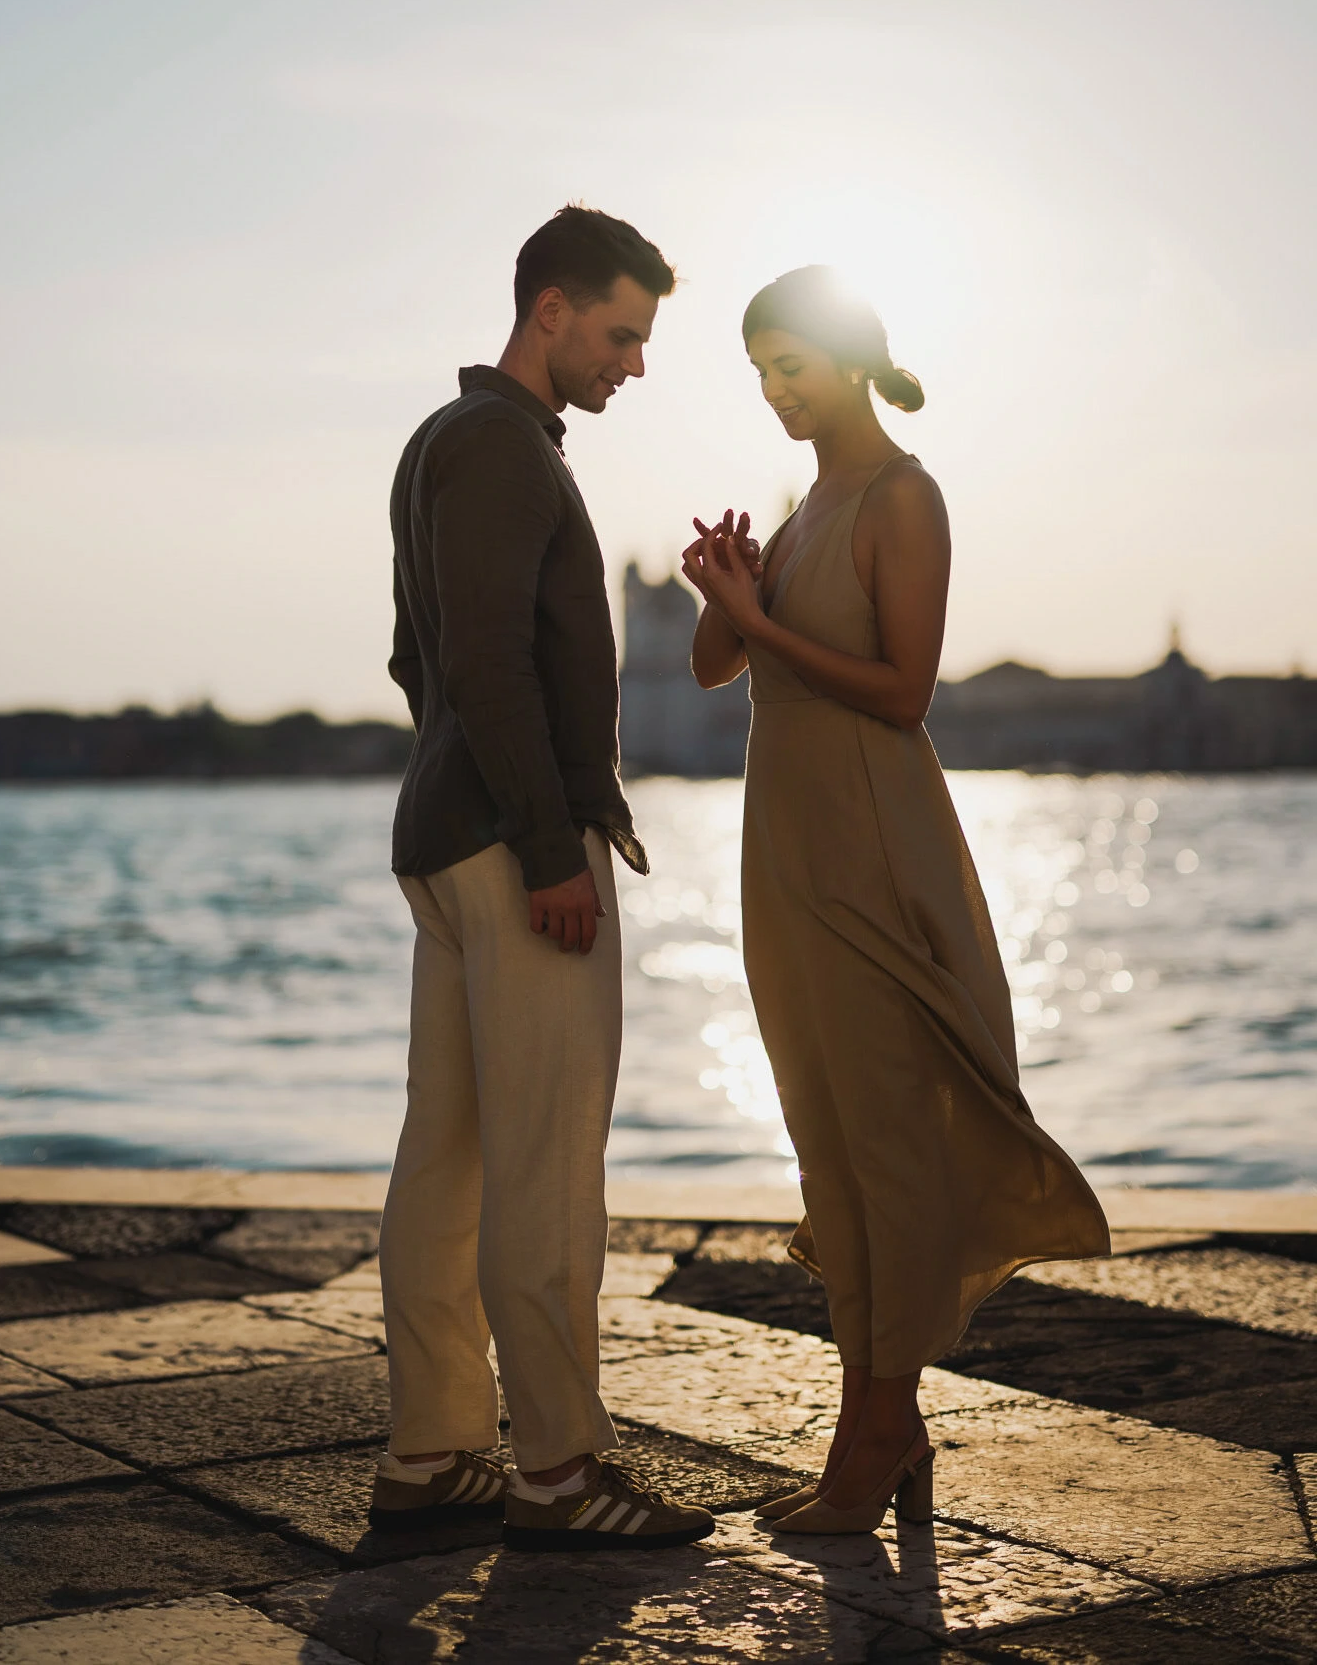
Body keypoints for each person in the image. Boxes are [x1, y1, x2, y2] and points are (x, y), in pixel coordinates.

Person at [683, 265, 1109, 1535]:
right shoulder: (803, 508)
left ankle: (874, 1426)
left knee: (887, 1137)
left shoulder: (900, 499)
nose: (772, 392)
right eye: (756, 372)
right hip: (785, 853)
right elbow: (718, 665)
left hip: (873, 842)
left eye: (789, 367)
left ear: (846, 358)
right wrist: (726, 590)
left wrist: (761, 616)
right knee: (826, 1140)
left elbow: (901, 688)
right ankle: (878, 1422)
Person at [373, 206, 716, 1553]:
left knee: (448, 1156)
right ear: (552, 309)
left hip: (444, 831)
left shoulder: (442, 446)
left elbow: (422, 661)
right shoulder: (505, 451)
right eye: (624, 333)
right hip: (517, 850)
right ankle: (562, 1469)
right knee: (548, 1163)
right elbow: (490, 662)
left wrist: (475, 798)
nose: (634, 362)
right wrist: (546, 843)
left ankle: (434, 1451)